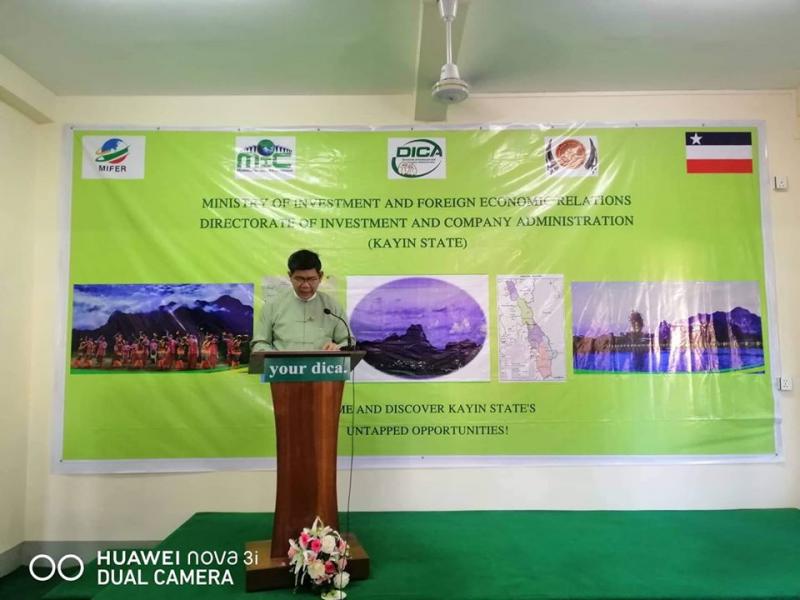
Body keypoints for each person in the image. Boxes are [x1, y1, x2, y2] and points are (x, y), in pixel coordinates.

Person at [252, 249, 351, 352]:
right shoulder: (273, 305)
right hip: (283, 363)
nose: (305, 285)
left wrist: (338, 347)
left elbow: (348, 342)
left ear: (320, 276)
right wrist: (274, 357)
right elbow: (260, 343)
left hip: (322, 362)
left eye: (311, 279)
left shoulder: (332, 307)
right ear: (290, 276)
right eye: (299, 279)